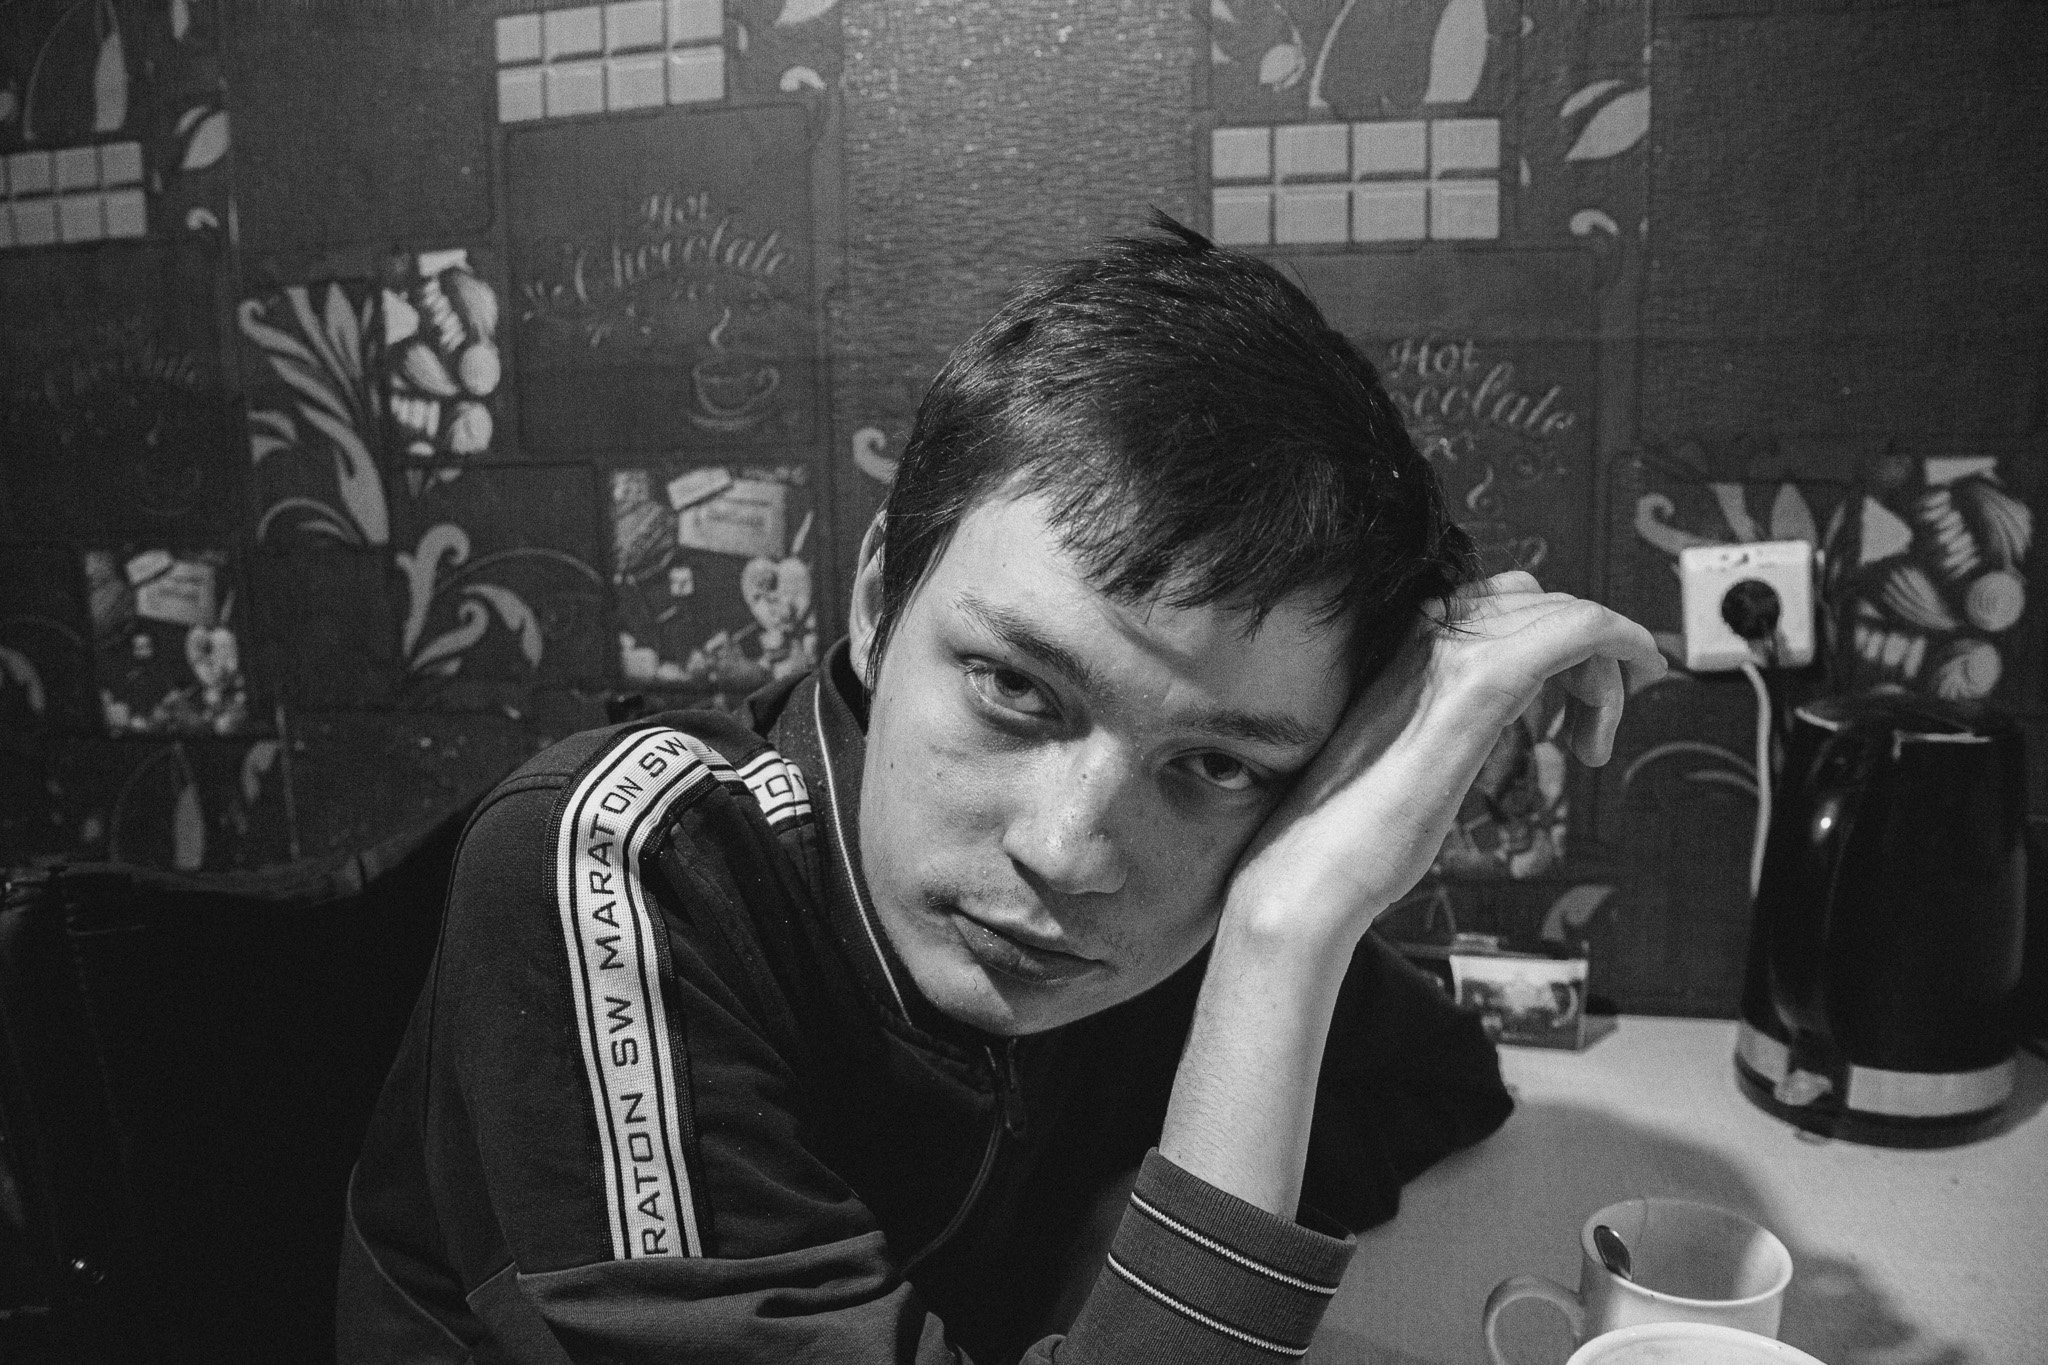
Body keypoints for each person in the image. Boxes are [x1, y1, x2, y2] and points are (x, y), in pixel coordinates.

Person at [339, 214, 1665, 1363]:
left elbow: (1435, 1084)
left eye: (1215, 761)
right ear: (873, 600)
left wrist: (1277, 945)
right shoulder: (627, 874)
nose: (1072, 850)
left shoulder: (1196, 890)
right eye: (1017, 688)